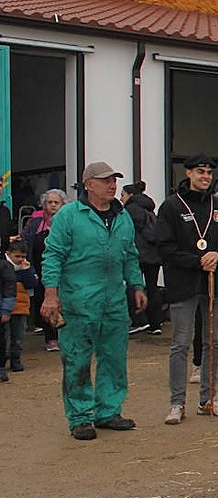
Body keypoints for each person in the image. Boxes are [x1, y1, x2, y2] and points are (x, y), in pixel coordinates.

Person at [40, 161, 147, 441]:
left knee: (113, 358)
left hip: (113, 301)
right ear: (88, 185)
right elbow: (52, 256)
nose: (113, 185)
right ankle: (80, 417)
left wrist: (136, 285)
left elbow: (130, 255)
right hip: (78, 301)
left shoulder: (122, 217)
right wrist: (51, 294)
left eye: (114, 180)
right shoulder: (69, 216)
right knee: (76, 360)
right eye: (105, 181)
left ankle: (108, 411)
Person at [154, 155, 218, 423]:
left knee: (212, 341)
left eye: (209, 173)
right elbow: (164, 246)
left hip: (215, 280)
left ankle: (208, 398)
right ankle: (177, 403)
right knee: (181, 342)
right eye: (200, 172)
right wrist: (196, 261)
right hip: (183, 282)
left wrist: (217, 254)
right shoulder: (171, 207)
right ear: (188, 173)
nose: (205, 177)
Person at [23, 188, 67, 352]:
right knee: (46, 302)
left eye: (57, 202)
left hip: (65, 270)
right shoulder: (35, 222)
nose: (53, 205)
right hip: (41, 270)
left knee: (65, 303)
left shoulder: (67, 221)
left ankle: (65, 335)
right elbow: (26, 241)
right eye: (50, 202)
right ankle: (51, 338)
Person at [121, 181, 164, 336]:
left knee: (134, 286)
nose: (121, 198)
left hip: (138, 254)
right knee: (152, 288)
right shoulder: (149, 209)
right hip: (154, 254)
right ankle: (156, 323)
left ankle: (139, 320)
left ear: (130, 195)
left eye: (123, 195)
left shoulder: (129, 211)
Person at [1, 241, 40, 381]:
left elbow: (33, 284)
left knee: (18, 336)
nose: (20, 260)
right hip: (5, 307)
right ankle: (3, 361)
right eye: (17, 256)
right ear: (8, 253)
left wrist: (26, 271)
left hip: (21, 307)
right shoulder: (3, 266)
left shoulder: (27, 267)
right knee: (4, 336)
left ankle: (15, 360)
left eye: (23, 257)